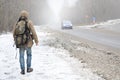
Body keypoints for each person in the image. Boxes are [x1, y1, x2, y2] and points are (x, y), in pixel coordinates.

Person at [13, 10, 39, 74]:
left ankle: (22, 70)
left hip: (20, 43)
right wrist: (36, 40)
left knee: (21, 56)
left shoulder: (17, 23)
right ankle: (28, 68)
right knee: (29, 55)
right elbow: (33, 32)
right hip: (28, 42)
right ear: (27, 15)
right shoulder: (29, 22)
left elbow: (14, 33)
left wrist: (16, 40)